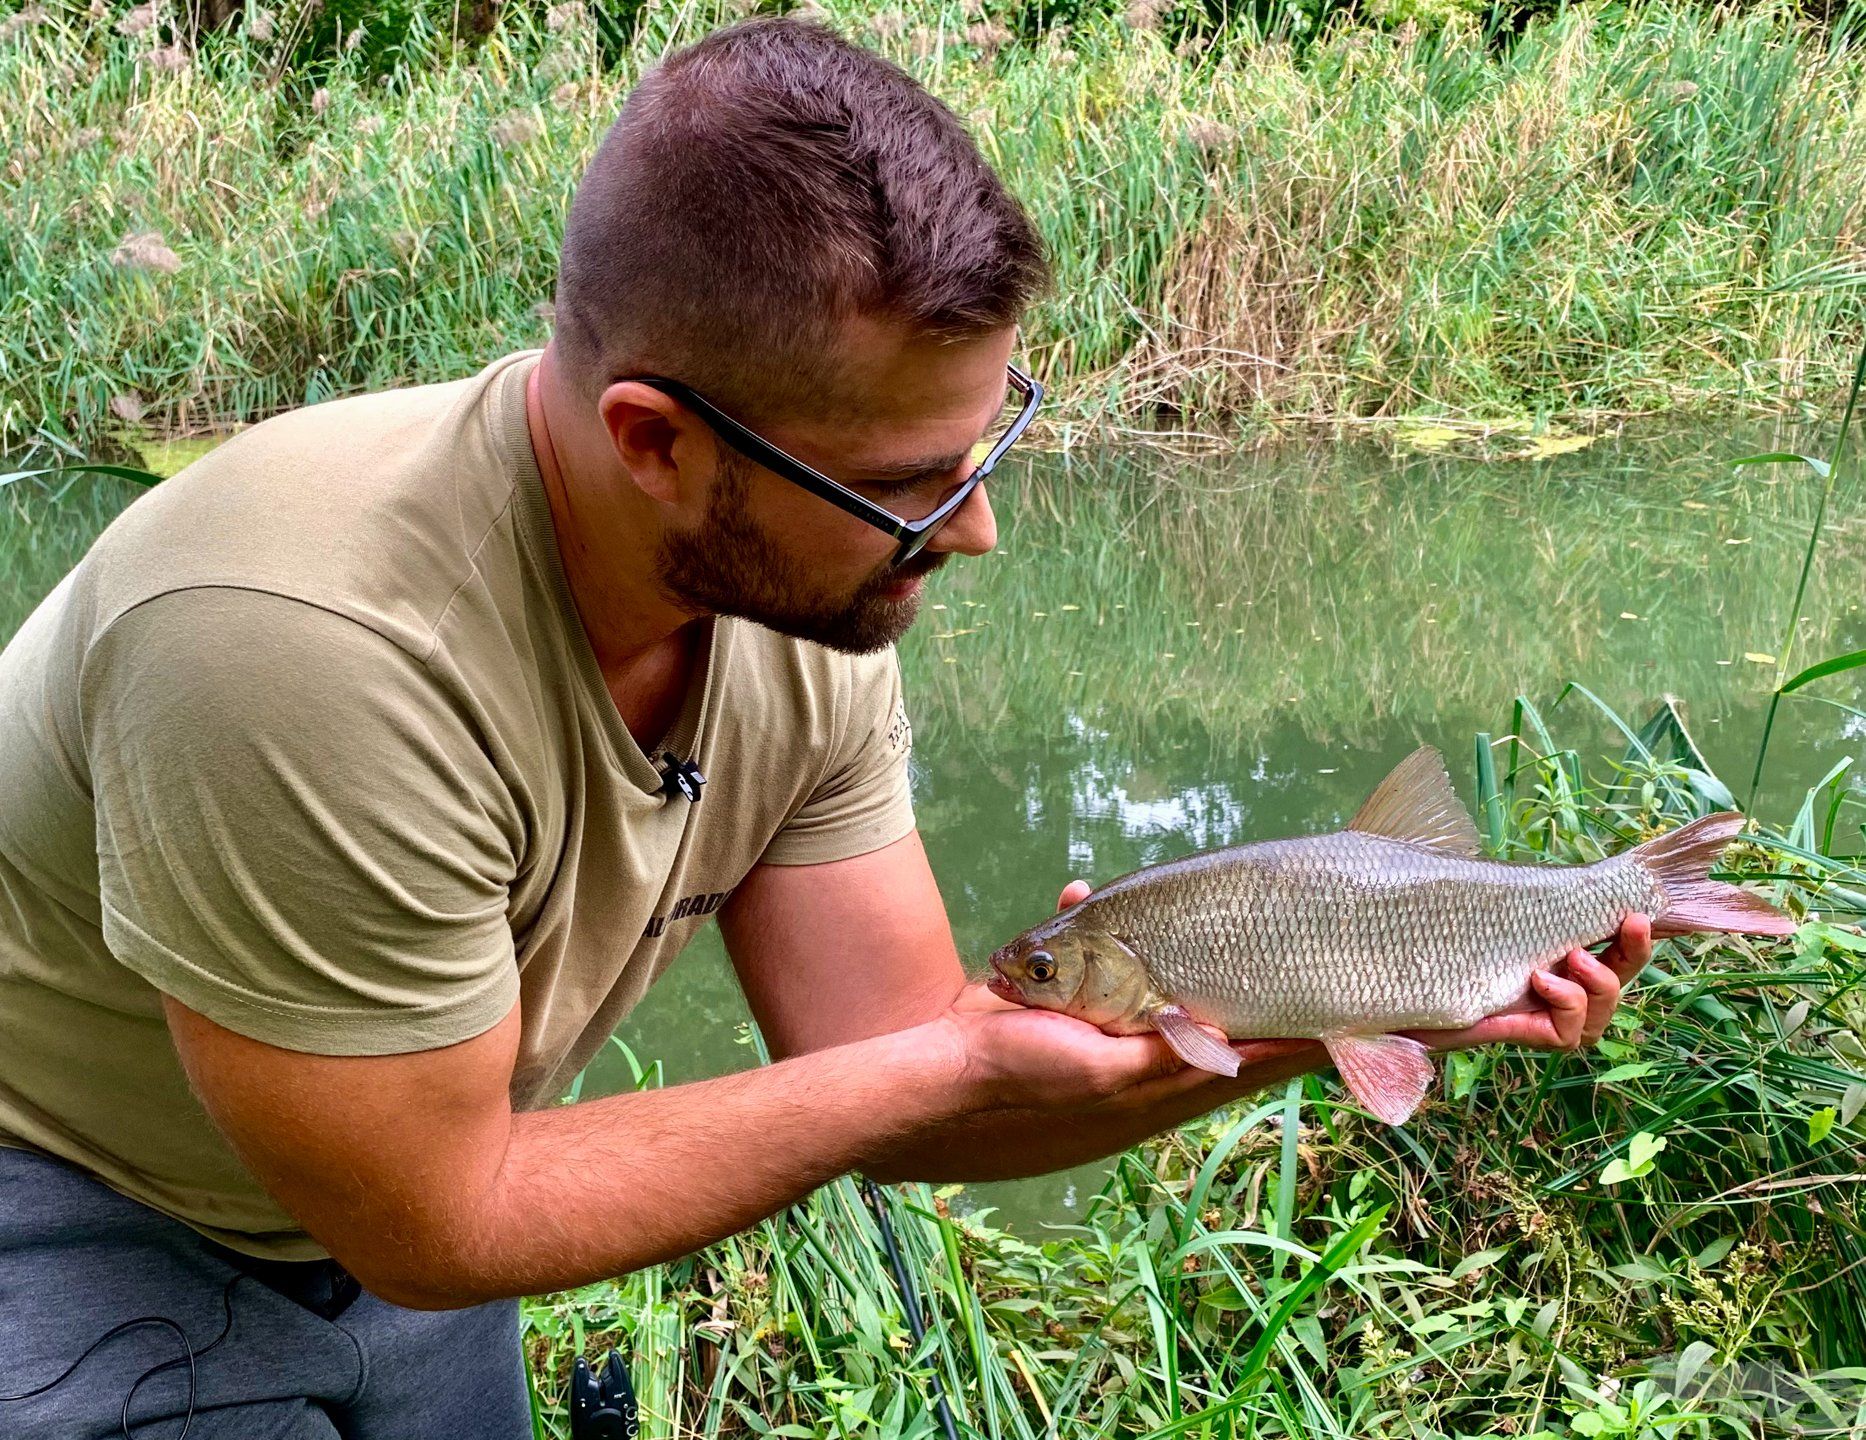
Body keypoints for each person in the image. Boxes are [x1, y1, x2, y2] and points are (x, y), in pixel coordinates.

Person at [0, 16, 1651, 1438]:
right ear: (653, 438)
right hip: (68, 1202)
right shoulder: (301, 643)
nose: (974, 533)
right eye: (902, 487)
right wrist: (945, 1059)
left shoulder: (803, 586)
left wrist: (1328, 1012)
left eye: (982, 447)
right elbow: (449, 1213)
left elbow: (918, 1087)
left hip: (417, 1182)